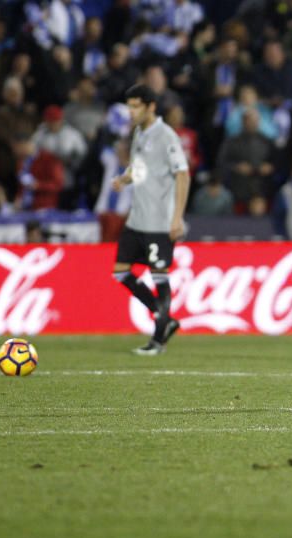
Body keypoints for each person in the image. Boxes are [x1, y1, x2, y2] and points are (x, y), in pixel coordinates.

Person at [110, 85, 190, 355]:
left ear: (151, 106)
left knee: (159, 276)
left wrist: (176, 218)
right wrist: (124, 178)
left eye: (136, 106)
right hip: (137, 219)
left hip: (159, 221)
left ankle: (158, 341)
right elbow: (139, 167)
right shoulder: (139, 133)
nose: (131, 111)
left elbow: (182, 174)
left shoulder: (167, 136)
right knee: (121, 271)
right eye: (129, 106)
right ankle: (163, 317)